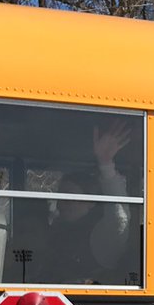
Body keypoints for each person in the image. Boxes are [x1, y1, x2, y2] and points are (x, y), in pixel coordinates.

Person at [37, 120, 133, 284]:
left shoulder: (102, 237)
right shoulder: (59, 229)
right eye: (60, 198)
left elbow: (120, 219)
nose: (60, 205)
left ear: (92, 202)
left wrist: (106, 164)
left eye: (68, 198)